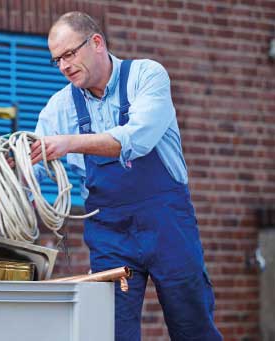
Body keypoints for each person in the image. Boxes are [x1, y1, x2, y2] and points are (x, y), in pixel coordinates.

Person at [30, 12, 222, 340]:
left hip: (168, 226)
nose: (63, 66)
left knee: (192, 325)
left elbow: (137, 139)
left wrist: (69, 143)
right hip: (110, 234)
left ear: (97, 43)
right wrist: (13, 162)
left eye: (69, 54)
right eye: (57, 60)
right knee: (111, 329)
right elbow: (33, 168)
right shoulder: (58, 108)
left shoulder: (146, 76)